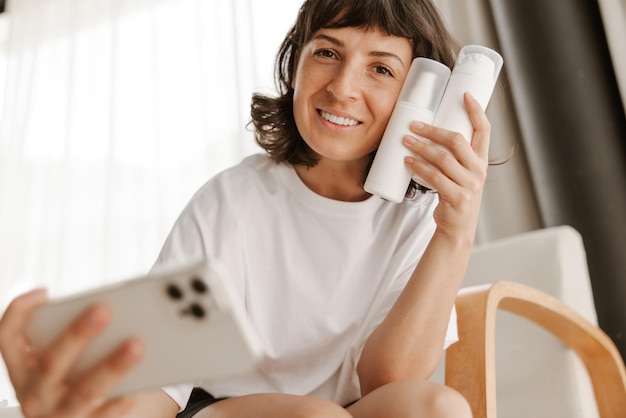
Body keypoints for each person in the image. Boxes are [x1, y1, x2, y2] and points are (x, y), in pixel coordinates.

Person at [0, 0, 493, 416]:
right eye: (326, 52)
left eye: (381, 68)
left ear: (421, 98)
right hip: (222, 407)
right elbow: (160, 382)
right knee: (311, 415)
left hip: (347, 411)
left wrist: (456, 232)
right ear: (295, 63)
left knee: (438, 407)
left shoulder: (422, 215)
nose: (342, 88)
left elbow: (390, 379)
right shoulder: (234, 200)